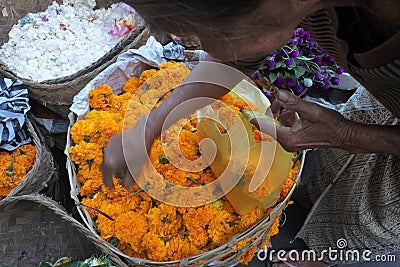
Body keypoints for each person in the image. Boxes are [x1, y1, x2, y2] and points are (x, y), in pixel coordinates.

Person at [101, 0, 400, 266]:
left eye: (211, 34)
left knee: (363, 220)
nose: (211, 48)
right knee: (331, 169)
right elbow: (226, 62)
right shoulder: (279, 10)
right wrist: (151, 126)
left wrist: (348, 135)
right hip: (386, 98)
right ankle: (313, 199)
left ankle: (323, 255)